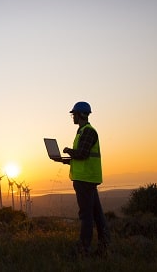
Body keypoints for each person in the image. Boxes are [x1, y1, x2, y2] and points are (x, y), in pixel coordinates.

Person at [56, 101, 110, 257]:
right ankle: (104, 246)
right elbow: (80, 157)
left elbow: (82, 154)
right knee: (97, 214)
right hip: (87, 179)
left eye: (73, 114)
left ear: (79, 115)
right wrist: (63, 160)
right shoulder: (82, 131)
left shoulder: (88, 131)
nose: (72, 117)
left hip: (85, 180)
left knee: (86, 216)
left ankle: (83, 249)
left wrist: (68, 151)